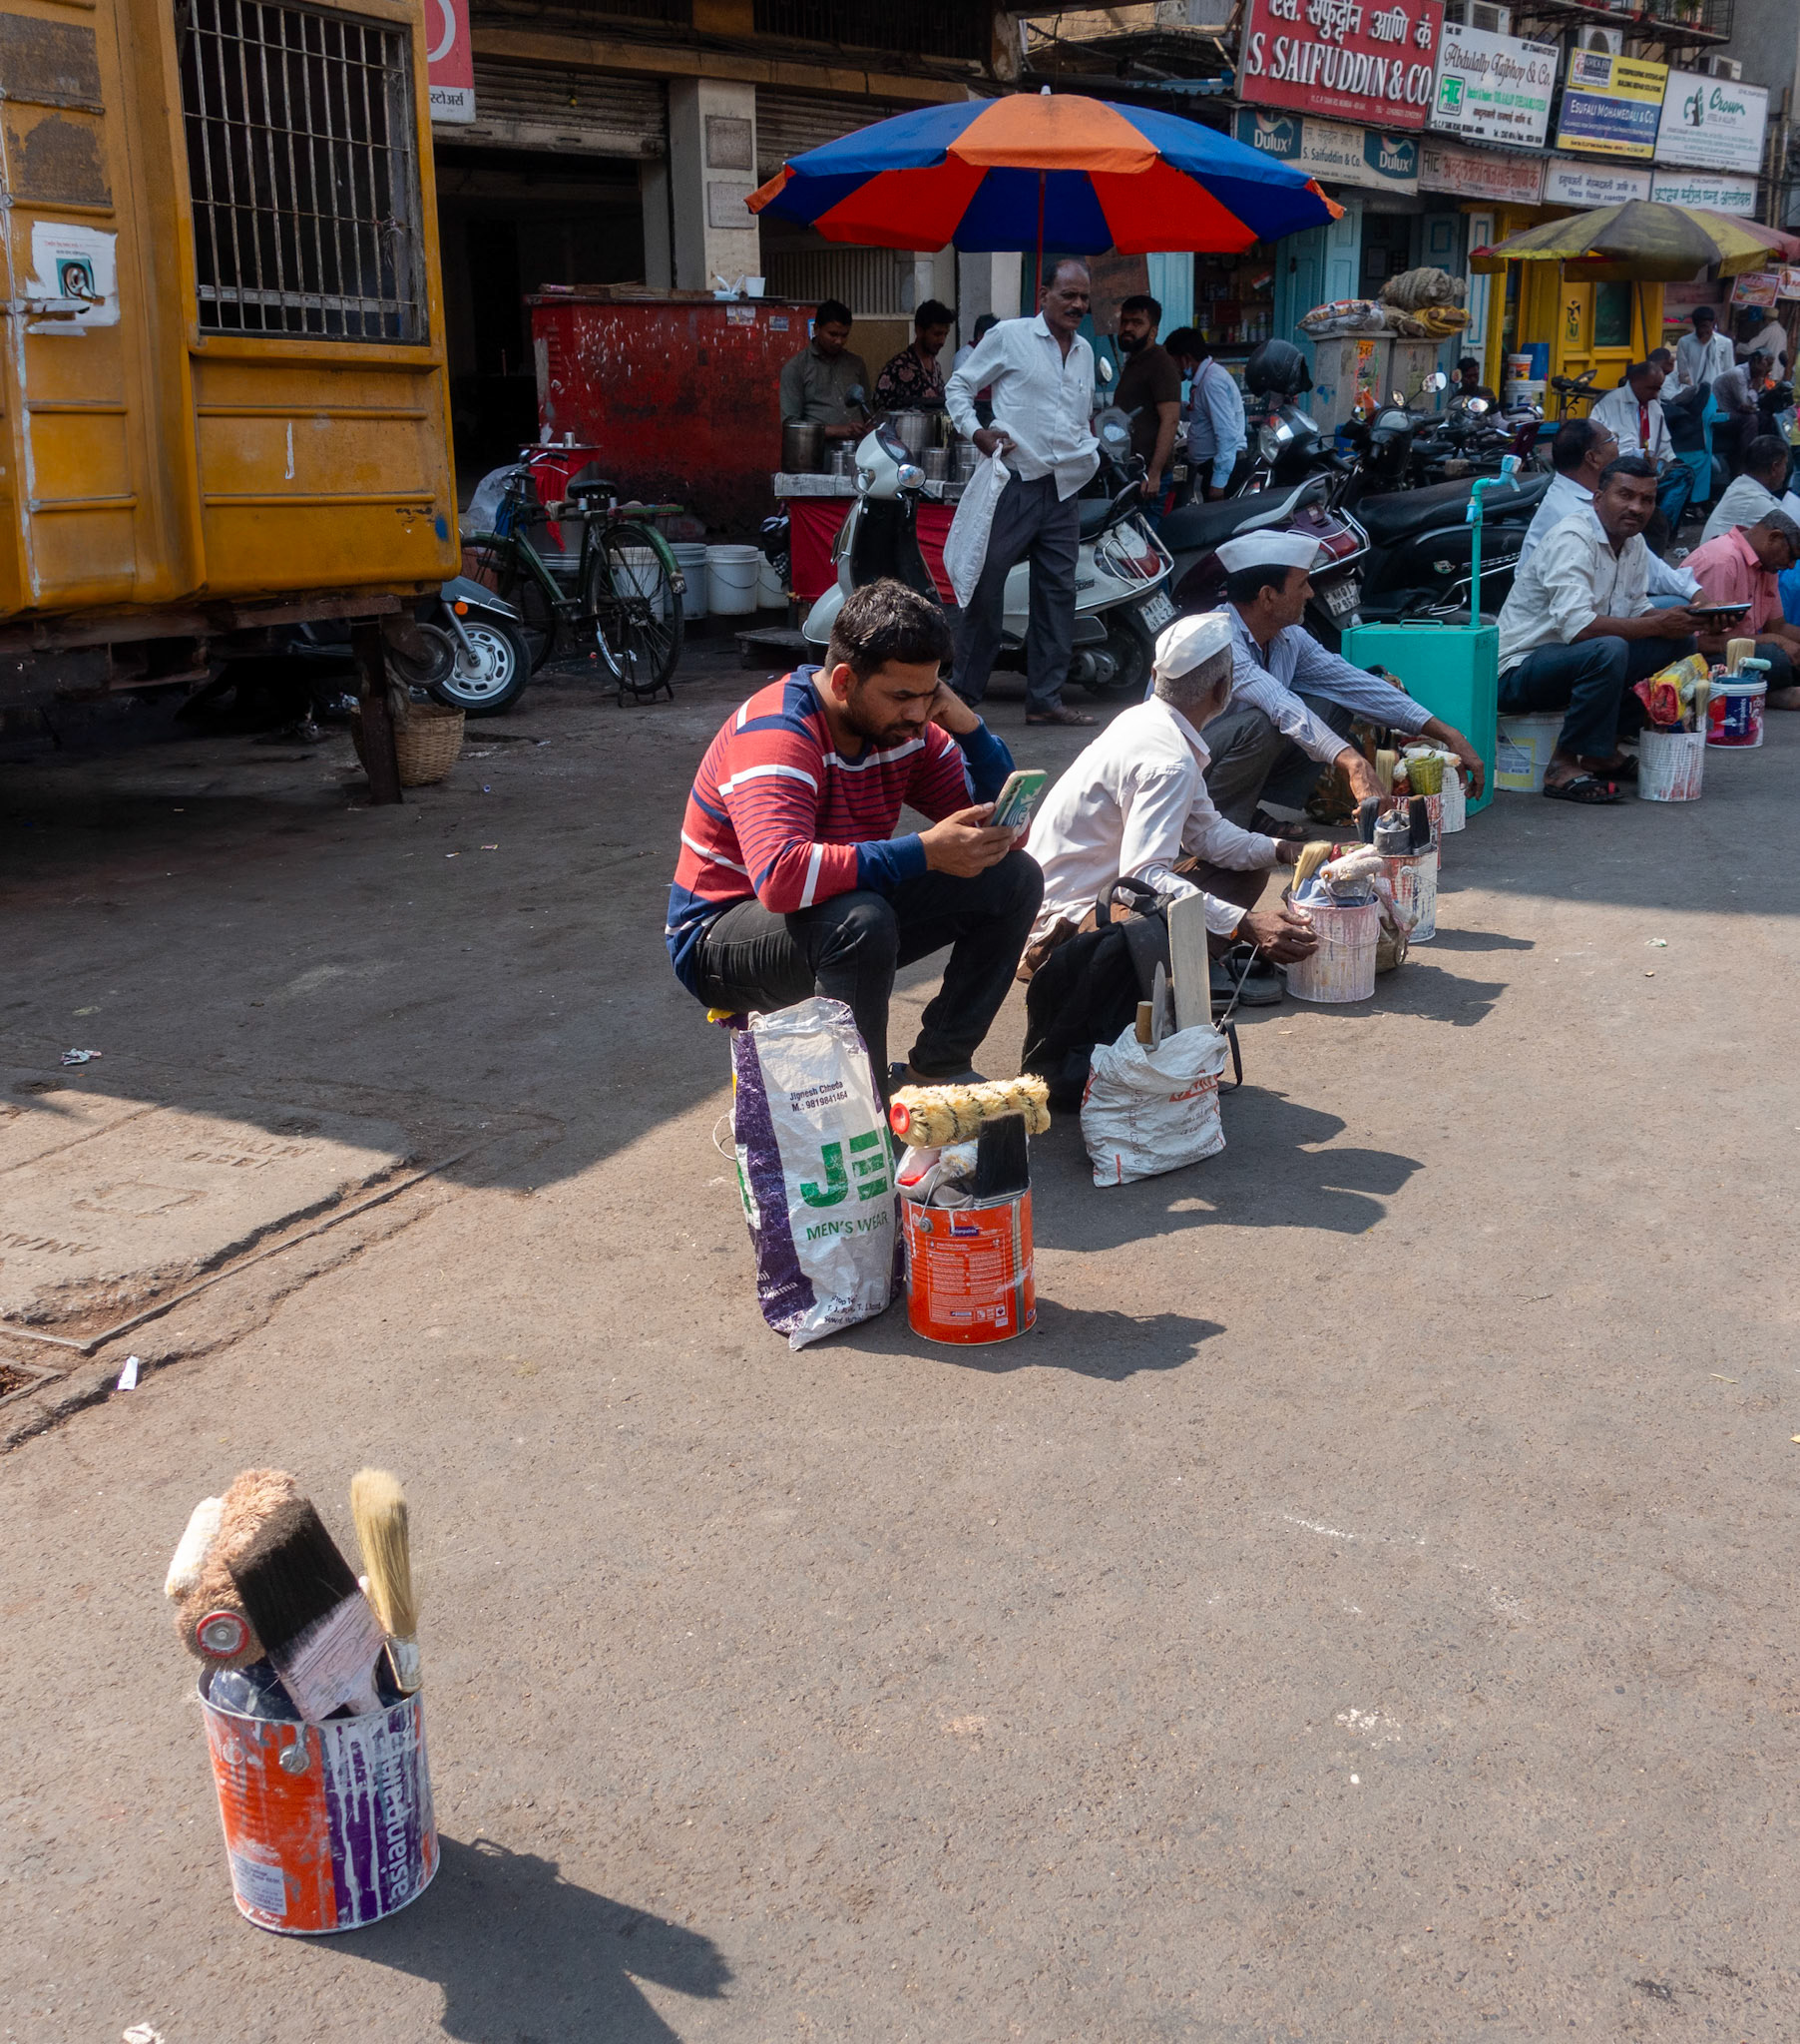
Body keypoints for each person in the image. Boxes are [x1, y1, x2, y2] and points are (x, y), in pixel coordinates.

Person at [666, 579, 1041, 1098]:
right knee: (860, 922)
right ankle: (859, 1112)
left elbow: (1005, 836)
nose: (917, 713)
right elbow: (780, 878)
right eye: (901, 696)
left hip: (828, 907)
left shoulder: (907, 731)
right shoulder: (777, 732)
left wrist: (971, 729)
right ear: (844, 681)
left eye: (930, 694)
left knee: (1012, 877)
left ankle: (938, 1067)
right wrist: (926, 852)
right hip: (719, 937)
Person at [1022, 613, 1314, 1003]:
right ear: (1223, 689)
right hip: (1064, 922)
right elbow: (1143, 876)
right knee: (1164, 918)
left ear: (1157, 675)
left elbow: (1206, 833)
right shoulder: (1169, 760)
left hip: (1072, 897)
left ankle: (1192, 955)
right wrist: (1245, 924)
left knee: (1244, 872)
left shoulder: (1146, 721)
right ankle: (1122, 965)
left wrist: (1280, 850)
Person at [1194, 531, 1486, 832]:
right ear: (1268, 596)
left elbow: (1354, 685)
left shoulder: (1288, 637)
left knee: (1331, 704)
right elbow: (1281, 706)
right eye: (1301, 584)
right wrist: (1354, 764)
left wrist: (1448, 733)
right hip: (1184, 771)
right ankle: (1211, 827)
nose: (1310, 593)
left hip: (1222, 759)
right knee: (1263, 723)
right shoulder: (1221, 639)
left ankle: (1240, 813)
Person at [945, 258, 1101, 729]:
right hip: (1013, 482)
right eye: (1068, 295)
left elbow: (1079, 414)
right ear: (1044, 295)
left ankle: (1044, 699)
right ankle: (964, 695)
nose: (1077, 305)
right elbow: (960, 386)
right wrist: (977, 433)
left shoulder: (1086, 352)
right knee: (985, 584)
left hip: (1063, 488)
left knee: (1057, 595)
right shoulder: (1010, 337)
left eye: (1084, 298)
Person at [1495, 456, 1700, 803]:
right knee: (1609, 648)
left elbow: (1637, 609)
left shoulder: (1633, 543)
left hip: (1573, 659)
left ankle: (1600, 752)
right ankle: (1561, 766)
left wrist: (1681, 621)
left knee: (1678, 642)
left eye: (1647, 500)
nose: (1636, 507)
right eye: (1625, 495)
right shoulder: (1573, 538)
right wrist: (1657, 622)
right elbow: (1580, 629)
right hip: (1518, 670)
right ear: (1598, 498)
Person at [1517, 418, 1699, 604]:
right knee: (1677, 605)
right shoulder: (1576, 515)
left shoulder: (1588, 501)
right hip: (1563, 620)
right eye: (1612, 439)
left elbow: (1649, 570)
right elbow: (1579, 621)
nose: (1636, 508)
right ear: (1592, 458)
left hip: (1595, 606)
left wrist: (1693, 592)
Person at [1681, 511, 1800, 704]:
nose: (1792, 565)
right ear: (1774, 537)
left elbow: (1778, 627)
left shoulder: (1768, 565)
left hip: (1740, 653)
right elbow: (1701, 643)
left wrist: (1778, 639)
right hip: (1701, 658)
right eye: (1792, 556)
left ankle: (1761, 692)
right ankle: (1765, 694)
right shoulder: (1723, 560)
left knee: (1783, 655)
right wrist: (1774, 640)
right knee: (1775, 658)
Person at [1590, 360, 1691, 531]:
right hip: (1619, 468)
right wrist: (1638, 455)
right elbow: (1598, 445)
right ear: (1635, 382)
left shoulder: (1654, 406)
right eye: (1652, 388)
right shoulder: (1609, 403)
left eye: (1659, 388)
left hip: (1649, 468)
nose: (1656, 394)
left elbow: (1664, 444)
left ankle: (1661, 528)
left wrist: (1666, 461)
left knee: (1684, 474)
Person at [1115, 292, 1183, 509]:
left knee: (1145, 541)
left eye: (1137, 323)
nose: (1128, 328)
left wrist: (1153, 474)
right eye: (1125, 322)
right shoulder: (1135, 361)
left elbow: (1170, 420)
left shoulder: (1161, 363)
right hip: (1129, 471)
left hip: (1149, 478)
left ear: (1153, 331)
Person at [1164, 326, 1247, 501]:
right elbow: (1198, 414)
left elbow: (1227, 435)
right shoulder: (1204, 380)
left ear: (1186, 359)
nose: (1172, 370)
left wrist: (1218, 483)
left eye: (1172, 363)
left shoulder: (1211, 382)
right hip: (1209, 468)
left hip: (1223, 472)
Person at [778, 298, 869, 445]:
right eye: (833, 334)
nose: (839, 341)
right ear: (816, 329)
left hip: (856, 453)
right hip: (815, 455)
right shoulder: (796, 368)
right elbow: (792, 426)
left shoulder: (856, 364)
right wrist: (840, 431)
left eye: (844, 335)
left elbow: (867, 411)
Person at [1701, 432, 1793, 544]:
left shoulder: (1743, 486)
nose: (1785, 470)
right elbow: (1793, 531)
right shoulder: (1752, 498)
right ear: (1774, 467)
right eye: (1784, 464)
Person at [873, 298, 954, 412]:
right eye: (937, 334)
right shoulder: (897, 368)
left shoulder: (936, 367)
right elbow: (881, 412)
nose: (942, 341)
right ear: (919, 330)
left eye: (945, 334)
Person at [1709, 352, 1766, 474]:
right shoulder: (1738, 375)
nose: (1769, 369)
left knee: (1763, 417)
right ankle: (1745, 464)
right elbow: (1746, 405)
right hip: (1720, 415)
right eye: (1767, 364)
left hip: (1732, 413)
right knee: (1751, 420)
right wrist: (1756, 388)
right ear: (1756, 362)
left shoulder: (1751, 375)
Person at [1675, 304, 1733, 389]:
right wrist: (1692, 390)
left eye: (1707, 327)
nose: (1704, 332)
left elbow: (1729, 371)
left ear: (1713, 325)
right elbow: (1683, 371)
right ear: (1695, 326)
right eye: (1701, 327)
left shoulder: (1725, 343)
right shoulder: (1684, 342)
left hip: (1717, 392)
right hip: (1693, 391)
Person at [1735, 306, 1789, 375]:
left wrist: (1737, 347)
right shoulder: (1782, 331)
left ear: (1767, 318)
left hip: (1769, 371)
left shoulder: (1769, 330)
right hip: (1779, 372)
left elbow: (1750, 347)